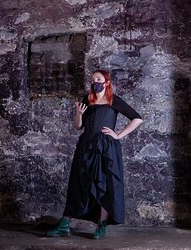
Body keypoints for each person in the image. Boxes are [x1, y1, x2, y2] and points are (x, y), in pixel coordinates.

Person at [47, 70, 144, 239]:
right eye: (92, 80)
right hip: (86, 147)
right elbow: (78, 127)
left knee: (104, 185)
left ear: (106, 82)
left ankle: (102, 224)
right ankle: (64, 224)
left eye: (98, 79)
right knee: (78, 182)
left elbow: (137, 118)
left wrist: (118, 134)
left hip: (106, 148)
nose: (94, 82)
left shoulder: (114, 100)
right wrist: (78, 114)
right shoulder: (87, 100)